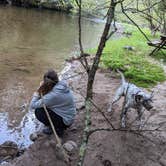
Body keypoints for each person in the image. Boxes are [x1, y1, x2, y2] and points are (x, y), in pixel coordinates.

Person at [30, 69, 76, 137]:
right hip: (69, 116)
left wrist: (38, 90)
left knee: (38, 111)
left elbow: (33, 105)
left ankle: (57, 129)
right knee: (44, 105)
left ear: (46, 83)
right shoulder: (62, 84)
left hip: (65, 121)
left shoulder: (53, 96)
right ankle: (57, 126)